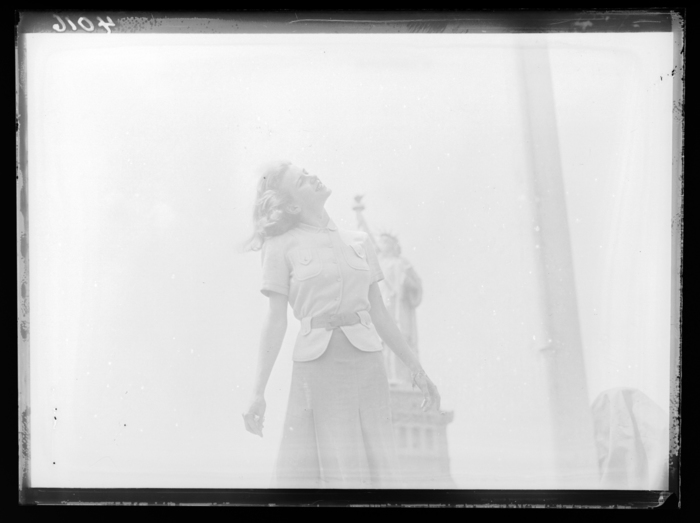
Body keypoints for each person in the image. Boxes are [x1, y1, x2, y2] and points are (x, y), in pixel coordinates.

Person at [243, 161, 441, 489]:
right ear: (293, 206)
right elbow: (275, 321)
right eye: (302, 181)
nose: (313, 176)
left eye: (308, 172)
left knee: (378, 465)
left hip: (369, 366)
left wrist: (417, 371)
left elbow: (381, 315)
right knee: (334, 468)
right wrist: (257, 393)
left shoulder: (360, 242)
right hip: (318, 368)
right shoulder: (279, 246)